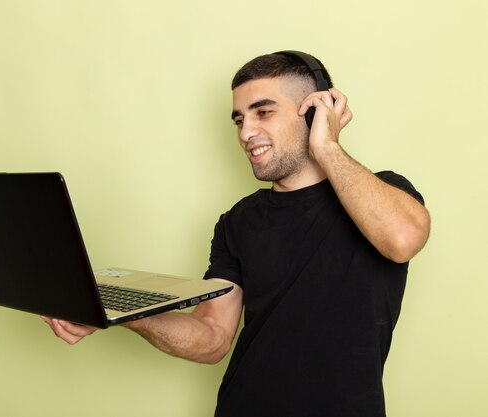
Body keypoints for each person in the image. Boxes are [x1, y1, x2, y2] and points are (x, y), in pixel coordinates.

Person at [42, 51, 431, 417]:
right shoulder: (238, 221)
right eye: (240, 119)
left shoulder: (383, 192)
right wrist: (115, 311)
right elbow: (212, 337)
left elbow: (402, 240)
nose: (247, 132)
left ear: (315, 112)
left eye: (263, 112)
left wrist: (327, 145)